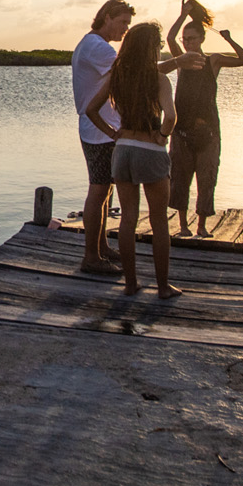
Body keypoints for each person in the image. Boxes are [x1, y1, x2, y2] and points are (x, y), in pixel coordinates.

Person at [72, 0, 202, 274]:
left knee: (105, 192)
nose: (125, 31)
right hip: (100, 132)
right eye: (123, 23)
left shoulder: (90, 43)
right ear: (106, 17)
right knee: (98, 191)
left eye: (128, 25)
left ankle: (102, 248)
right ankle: (91, 257)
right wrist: (178, 62)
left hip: (101, 130)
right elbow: (136, 72)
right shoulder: (98, 47)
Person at [85, 22, 180, 298]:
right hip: (150, 151)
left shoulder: (118, 77)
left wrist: (113, 134)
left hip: (123, 151)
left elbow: (91, 109)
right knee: (159, 222)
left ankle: (130, 284)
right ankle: (163, 287)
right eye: (158, 45)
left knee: (128, 219)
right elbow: (171, 117)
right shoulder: (159, 79)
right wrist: (162, 135)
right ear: (151, 48)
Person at [165, 0, 243, 236]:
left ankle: (201, 226)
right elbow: (170, 38)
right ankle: (183, 226)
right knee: (179, 179)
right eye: (185, 39)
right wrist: (183, 14)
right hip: (182, 131)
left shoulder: (213, 61)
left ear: (202, 39)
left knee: (207, 178)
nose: (187, 42)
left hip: (208, 131)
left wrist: (229, 39)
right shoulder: (182, 61)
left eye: (192, 38)